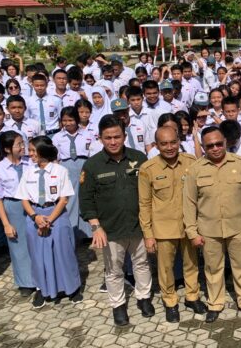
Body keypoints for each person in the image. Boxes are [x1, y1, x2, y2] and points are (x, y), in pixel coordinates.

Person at [183, 126, 241, 323]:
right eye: (210, 146)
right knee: (212, 269)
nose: (216, 148)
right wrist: (192, 232)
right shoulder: (195, 170)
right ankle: (215, 303)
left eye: (219, 144)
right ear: (203, 147)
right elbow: (189, 203)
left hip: (239, 227)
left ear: (225, 142)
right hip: (209, 230)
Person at [80, 115, 153, 326]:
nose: (113, 142)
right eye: (108, 138)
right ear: (100, 138)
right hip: (109, 229)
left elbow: (150, 192)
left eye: (117, 137)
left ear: (124, 135)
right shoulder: (92, 165)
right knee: (113, 271)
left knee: (142, 264)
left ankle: (144, 298)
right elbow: (86, 200)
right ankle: (118, 305)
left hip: (138, 225)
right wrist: (96, 227)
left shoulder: (139, 158)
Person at [138, 126, 206, 323]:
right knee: (165, 268)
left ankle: (192, 296)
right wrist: (148, 234)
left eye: (173, 142)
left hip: (188, 225)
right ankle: (170, 302)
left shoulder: (191, 162)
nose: (169, 147)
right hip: (163, 228)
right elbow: (144, 203)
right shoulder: (148, 169)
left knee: (191, 263)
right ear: (156, 145)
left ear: (178, 141)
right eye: (164, 143)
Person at [15, 136, 82, 308]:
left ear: (42, 151)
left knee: (63, 252)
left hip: (57, 215)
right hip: (34, 215)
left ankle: (72, 288)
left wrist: (49, 220)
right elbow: (23, 198)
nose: (29, 154)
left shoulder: (60, 171)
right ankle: (42, 289)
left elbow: (64, 199)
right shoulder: (28, 171)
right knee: (38, 255)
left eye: (32, 150)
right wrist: (36, 217)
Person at [0, 131, 35, 297]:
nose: (23, 147)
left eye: (23, 143)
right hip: (14, 207)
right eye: (19, 144)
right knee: (18, 246)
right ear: (7, 149)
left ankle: (42, 278)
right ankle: (25, 282)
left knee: (37, 242)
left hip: (33, 204)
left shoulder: (30, 162)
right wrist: (6, 224)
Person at [52, 107, 92, 239]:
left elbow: (91, 152)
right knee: (70, 199)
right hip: (66, 167)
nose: (68, 123)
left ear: (77, 119)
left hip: (84, 166)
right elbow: (55, 157)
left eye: (71, 120)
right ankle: (73, 231)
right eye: (64, 120)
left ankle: (89, 232)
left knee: (85, 196)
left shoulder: (87, 134)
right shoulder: (57, 137)